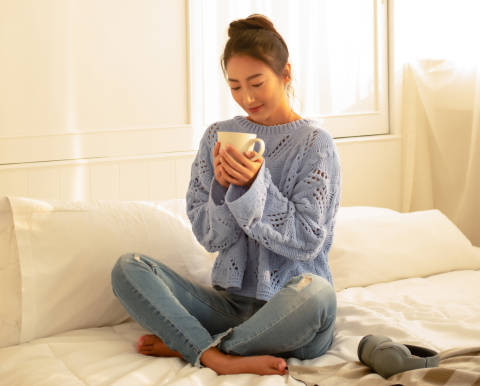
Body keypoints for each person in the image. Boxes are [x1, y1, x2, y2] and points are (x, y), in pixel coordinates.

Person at [111, 14, 342, 376]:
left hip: (294, 311)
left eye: (256, 82)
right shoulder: (217, 137)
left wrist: (255, 186)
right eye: (234, 86)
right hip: (231, 305)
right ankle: (218, 357)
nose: (246, 97)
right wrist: (223, 189)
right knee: (129, 267)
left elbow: (307, 241)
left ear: (286, 74)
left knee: (318, 294)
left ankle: (200, 346)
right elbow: (211, 237)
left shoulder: (316, 144)